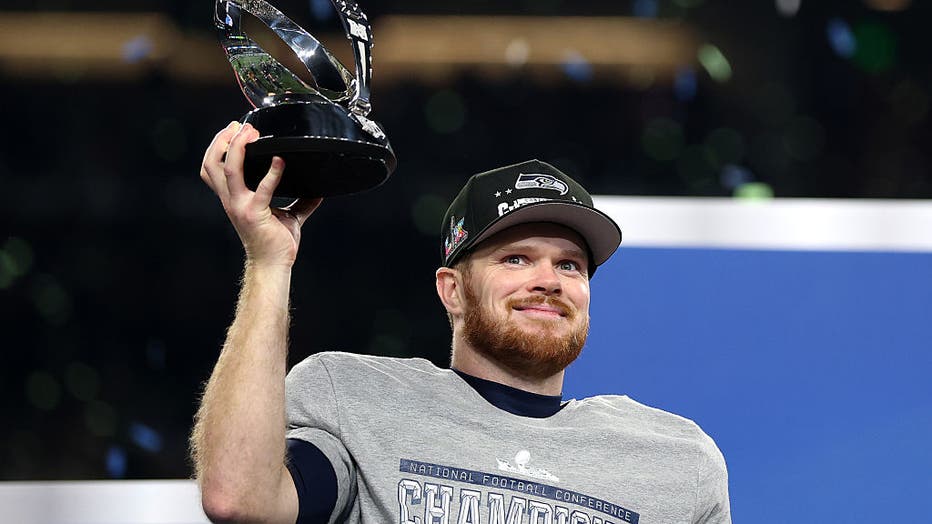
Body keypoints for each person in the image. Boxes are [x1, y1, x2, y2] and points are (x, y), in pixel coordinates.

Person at [191, 121, 732, 524]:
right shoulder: (355, 400)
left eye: (569, 264)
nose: (549, 279)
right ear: (452, 290)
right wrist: (268, 264)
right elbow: (240, 499)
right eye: (516, 259)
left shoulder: (678, 461)